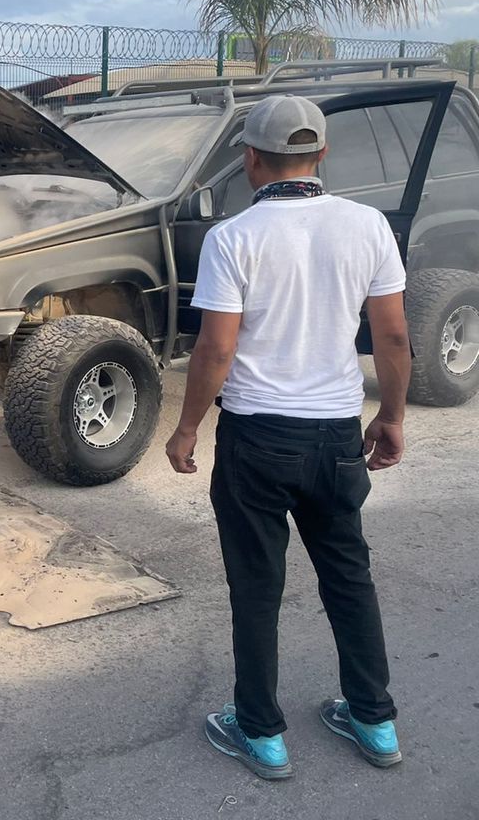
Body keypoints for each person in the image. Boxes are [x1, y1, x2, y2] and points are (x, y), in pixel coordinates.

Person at [164, 95, 411, 779]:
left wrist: (186, 428)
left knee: (256, 585)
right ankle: (375, 720)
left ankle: (261, 731)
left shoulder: (233, 238)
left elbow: (216, 349)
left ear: (250, 158)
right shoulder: (368, 226)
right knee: (349, 576)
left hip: (257, 439)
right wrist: (391, 416)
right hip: (336, 435)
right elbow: (392, 336)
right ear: (322, 153)